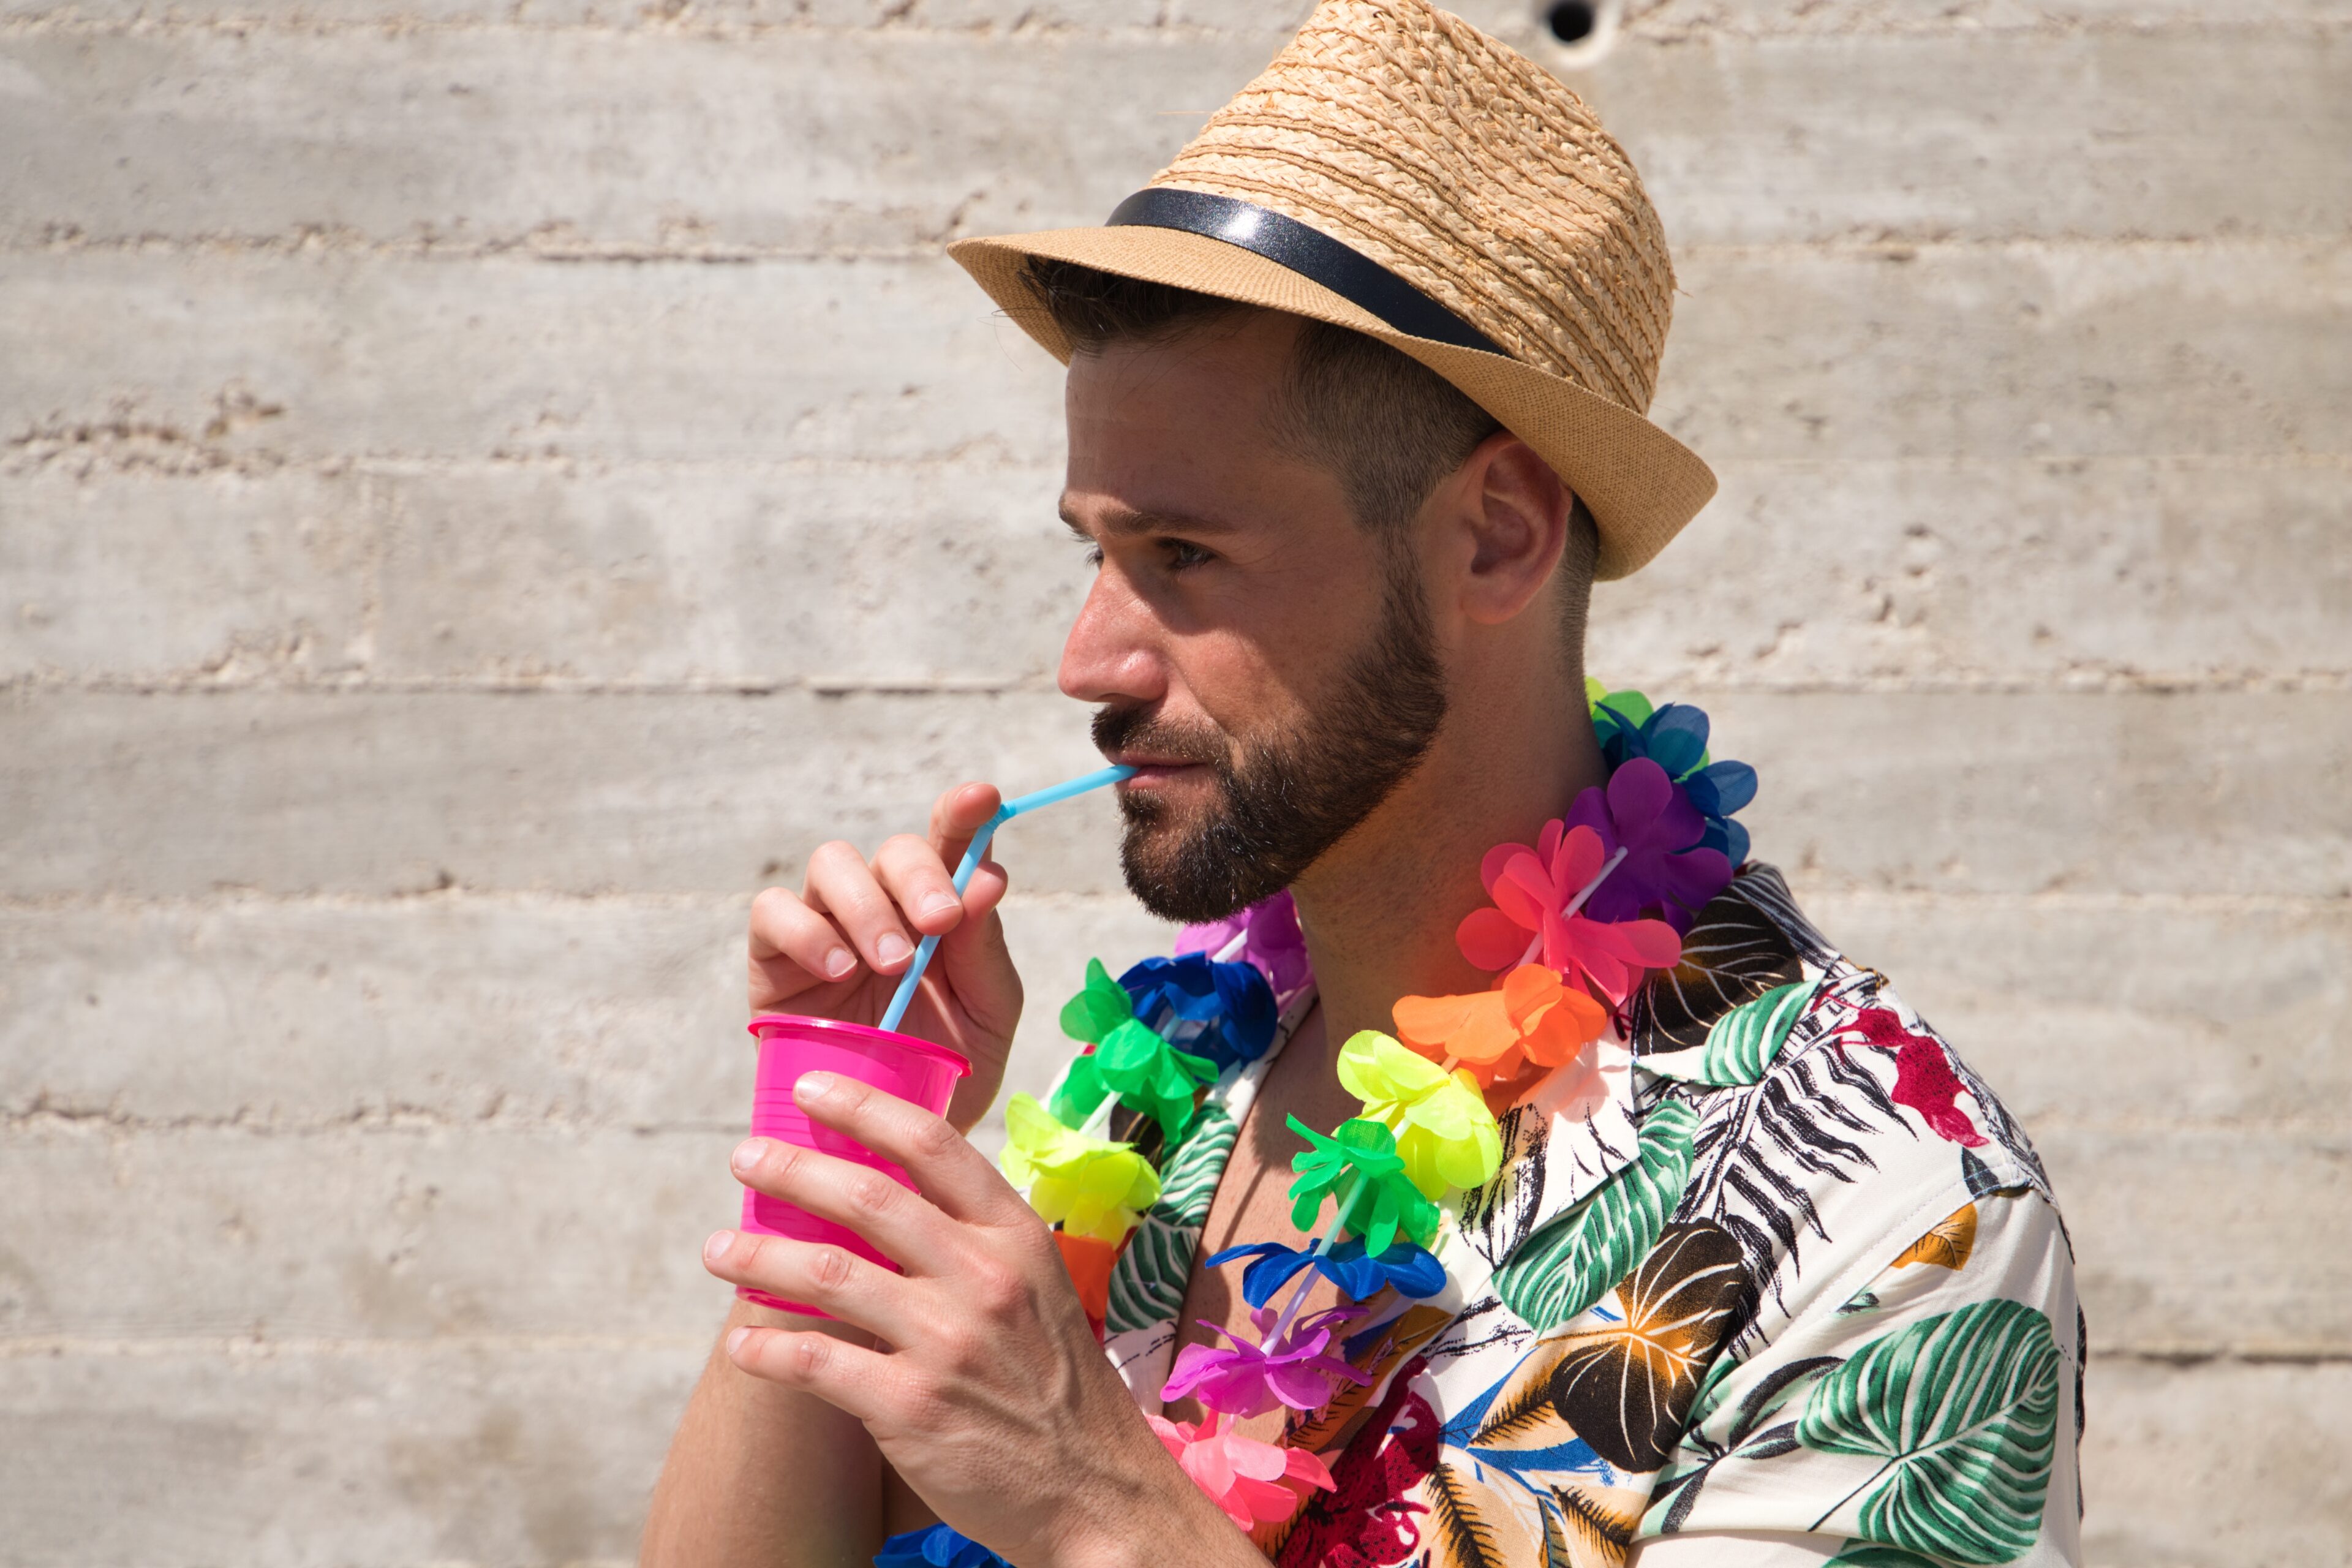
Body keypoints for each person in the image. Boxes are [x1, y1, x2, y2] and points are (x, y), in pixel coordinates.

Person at [641, 2, 2083, 1564]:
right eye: (1101, 553)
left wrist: (1092, 1502)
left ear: (1497, 536)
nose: (1091, 660)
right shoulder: (1163, 1087)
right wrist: (840, 1155)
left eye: (1185, 555)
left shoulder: (1884, 1202)